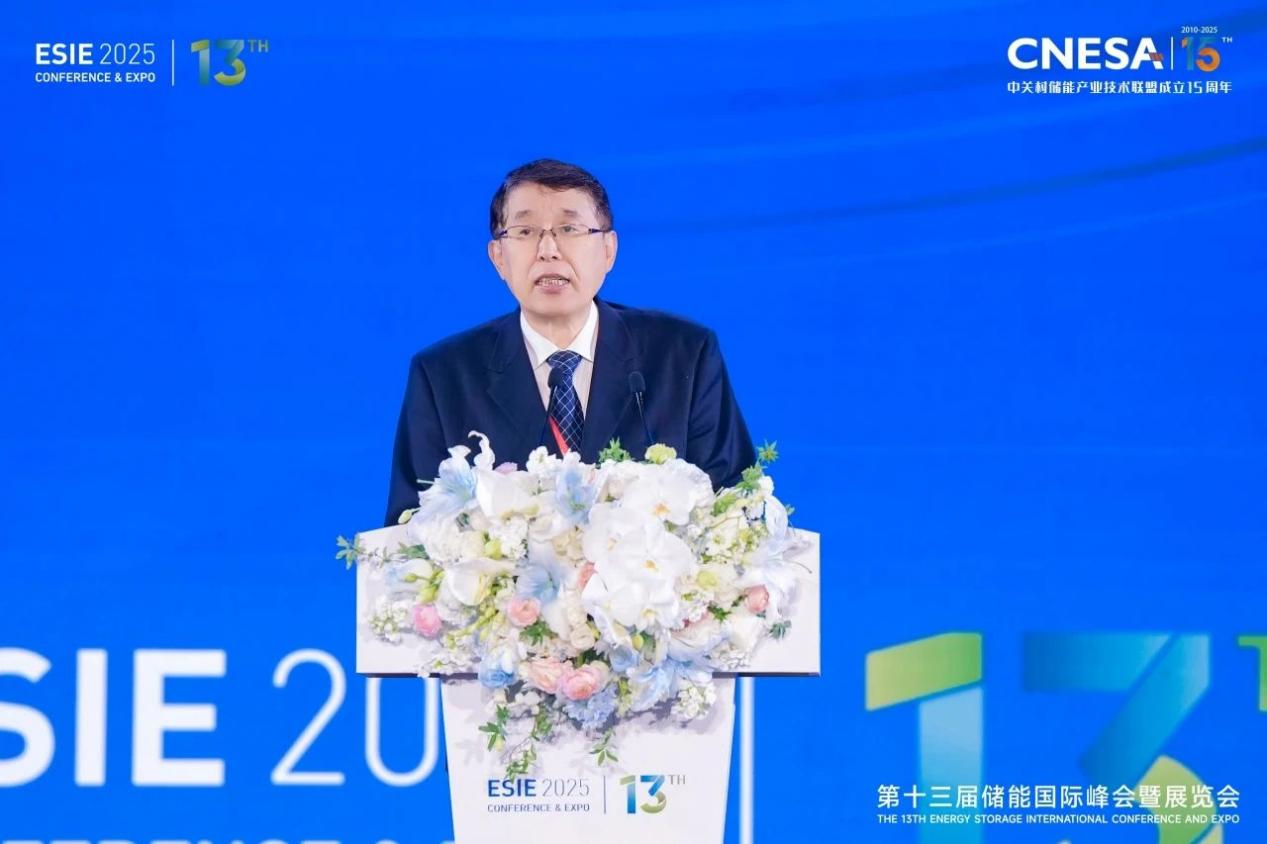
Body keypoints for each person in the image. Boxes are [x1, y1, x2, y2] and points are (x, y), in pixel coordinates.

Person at [385, 159, 755, 525]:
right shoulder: (444, 376)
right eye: (525, 231)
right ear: (498, 258)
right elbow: (410, 530)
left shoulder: (684, 354)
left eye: (569, 228)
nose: (548, 249)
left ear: (608, 250)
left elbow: (736, 510)